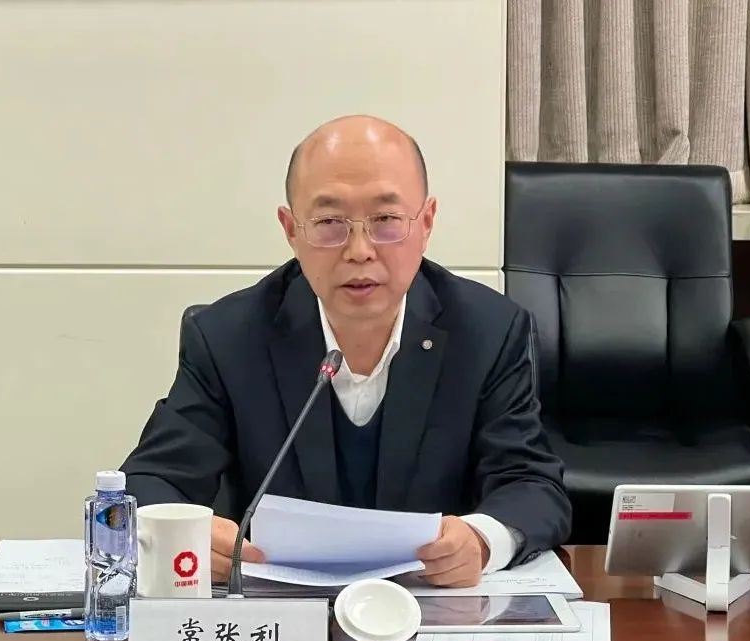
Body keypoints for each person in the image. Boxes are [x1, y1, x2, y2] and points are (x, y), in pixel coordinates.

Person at [122, 115, 571, 587]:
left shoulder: (488, 331)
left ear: (426, 222)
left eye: (386, 221)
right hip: (280, 612)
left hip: (428, 610)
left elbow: (532, 485)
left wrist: (480, 541)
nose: (359, 250)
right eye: (329, 223)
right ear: (291, 230)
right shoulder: (228, 337)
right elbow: (148, 483)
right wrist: (185, 535)